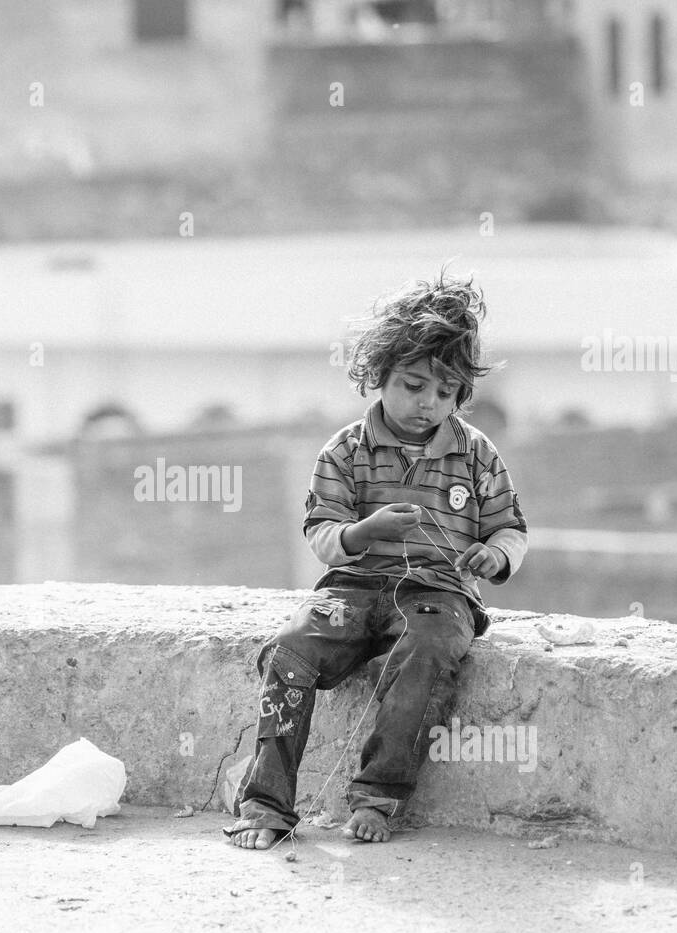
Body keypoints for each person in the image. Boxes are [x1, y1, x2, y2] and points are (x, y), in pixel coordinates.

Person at [224, 272, 528, 849]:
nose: (427, 403)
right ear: (378, 375)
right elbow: (321, 531)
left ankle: (377, 795)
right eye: (413, 385)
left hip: (438, 596)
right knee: (289, 653)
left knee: (427, 652)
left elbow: (510, 526)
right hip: (353, 587)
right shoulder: (344, 451)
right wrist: (365, 532)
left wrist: (495, 555)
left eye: (445, 392)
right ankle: (266, 803)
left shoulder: (476, 454)